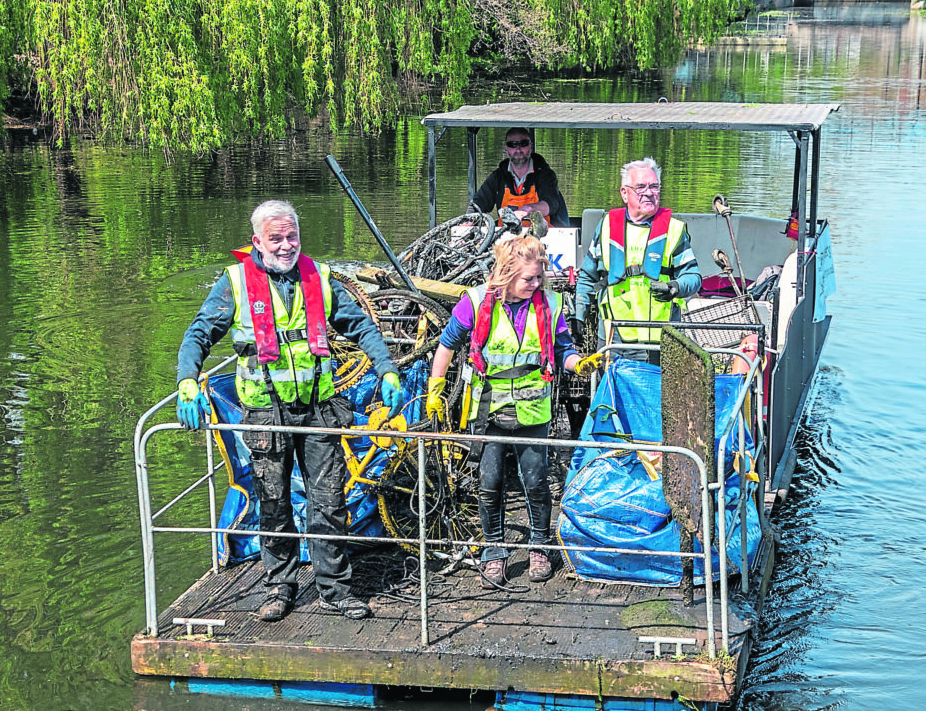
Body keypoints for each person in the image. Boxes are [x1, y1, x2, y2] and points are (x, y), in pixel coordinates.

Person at [175, 200, 404, 622]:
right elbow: (199, 334)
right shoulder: (234, 283)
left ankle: (335, 590)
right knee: (274, 501)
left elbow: (360, 325)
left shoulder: (319, 277)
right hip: (265, 412)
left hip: (319, 409)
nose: (285, 246)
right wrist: (188, 380)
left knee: (328, 501)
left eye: (292, 236)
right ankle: (279, 588)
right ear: (257, 241)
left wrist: (386, 369)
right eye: (276, 238)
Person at [425, 237, 601, 587]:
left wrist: (578, 363)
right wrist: (436, 387)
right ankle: (494, 553)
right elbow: (446, 345)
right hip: (488, 409)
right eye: (528, 279)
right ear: (506, 275)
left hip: (533, 410)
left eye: (539, 277)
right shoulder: (475, 302)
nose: (536, 284)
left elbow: (562, 348)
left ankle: (540, 546)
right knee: (489, 483)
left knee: (536, 481)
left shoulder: (549, 304)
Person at [573, 158, 701, 364]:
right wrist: (578, 316)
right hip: (612, 337)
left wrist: (674, 287)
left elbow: (693, 277)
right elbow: (588, 277)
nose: (649, 193)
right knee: (610, 395)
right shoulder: (606, 226)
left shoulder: (674, 229)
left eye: (654, 186)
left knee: (655, 396)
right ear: (624, 193)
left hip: (661, 340)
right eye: (640, 187)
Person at [472, 128, 570, 228]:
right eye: (512, 144)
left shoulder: (545, 175)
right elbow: (477, 205)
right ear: (506, 148)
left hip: (544, 237)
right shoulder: (498, 176)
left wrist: (526, 210)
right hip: (506, 238)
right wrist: (465, 224)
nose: (518, 149)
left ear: (530, 146)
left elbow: (551, 204)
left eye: (523, 143)